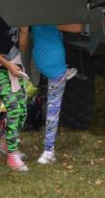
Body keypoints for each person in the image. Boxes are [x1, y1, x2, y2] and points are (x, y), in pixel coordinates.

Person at [0, 8, 30, 171]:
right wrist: (7, 65)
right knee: (14, 108)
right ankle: (12, 154)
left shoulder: (20, 13)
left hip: (14, 63)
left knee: (22, 110)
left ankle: (8, 142)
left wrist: (24, 31)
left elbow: (22, 46)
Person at [32, 23, 81, 164]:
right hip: (55, 68)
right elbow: (78, 27)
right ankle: (48, 151)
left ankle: (66, 73)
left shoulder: (33, 17)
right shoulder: (53, 21)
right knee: (54, 109)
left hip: (41, 63)